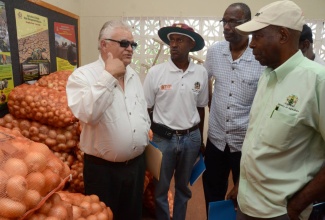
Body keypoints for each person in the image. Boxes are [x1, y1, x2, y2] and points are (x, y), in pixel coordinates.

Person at [226, 1, 325, 219]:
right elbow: (257, 140)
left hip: (280, 213)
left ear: (282, 35)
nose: (251, 45)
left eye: (258, 36)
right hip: (247, 204)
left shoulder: (317, 81)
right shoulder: (267, 75)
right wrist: (242, 184)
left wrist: (297, 206)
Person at [66, 20, 151, 220]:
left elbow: (141, 110)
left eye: (133, 44)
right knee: (103, 216)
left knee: (132, 215)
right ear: (104, 44)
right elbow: (88, 114)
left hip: (136, 166)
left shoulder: (133, 76)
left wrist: (143, 129)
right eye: (124, 43)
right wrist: (109, 76)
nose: (130, 49)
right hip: (102, 171)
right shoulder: (82, 76)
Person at [202, 2, 264, 217]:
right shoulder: (215, 52)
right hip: (216, 139)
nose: (226, 27)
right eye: (224, 21)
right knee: (213, 191)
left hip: (244, 144)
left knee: (245, 197)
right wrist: (212, 106)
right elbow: (206, 82)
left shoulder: (260, 57)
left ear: (247, 24)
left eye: (232, 22)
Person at [143, 23, 208, 220]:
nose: (173, 44)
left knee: (183, 187)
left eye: (179, 40)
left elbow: (201, 107)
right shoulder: (156, 73)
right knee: (161, 189)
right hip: (163, 140)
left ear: (191, 44)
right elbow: (146, 108)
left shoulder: (200, 73)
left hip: (191, 139)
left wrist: (200, 140)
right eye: (172, 40)